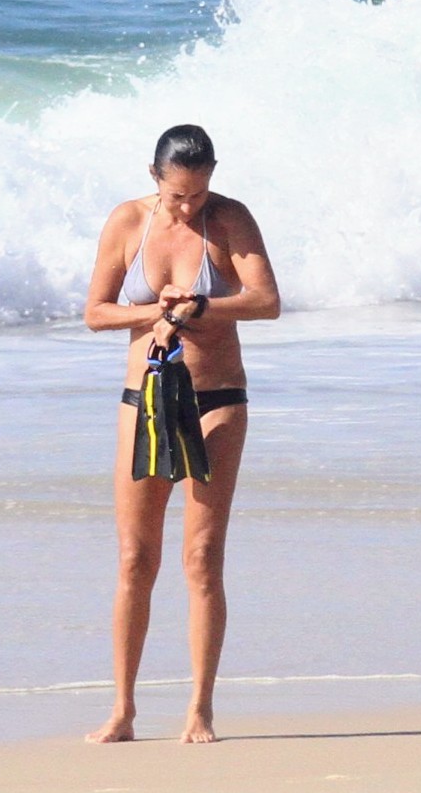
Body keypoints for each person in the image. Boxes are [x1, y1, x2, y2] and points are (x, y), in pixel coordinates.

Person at [83, 124, 280, 745]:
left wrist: (200, 307)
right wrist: (159, 312)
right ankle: (122, 709)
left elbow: (266, 301)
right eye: (177, 195)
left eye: (198, 193)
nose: (188, 205)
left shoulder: (230, 220)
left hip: (218, 400)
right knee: (137, 558)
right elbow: (96, 312)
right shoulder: (127, 222)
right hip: (143, 401)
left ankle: (199, 709)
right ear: (154, 177)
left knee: (201, 558)